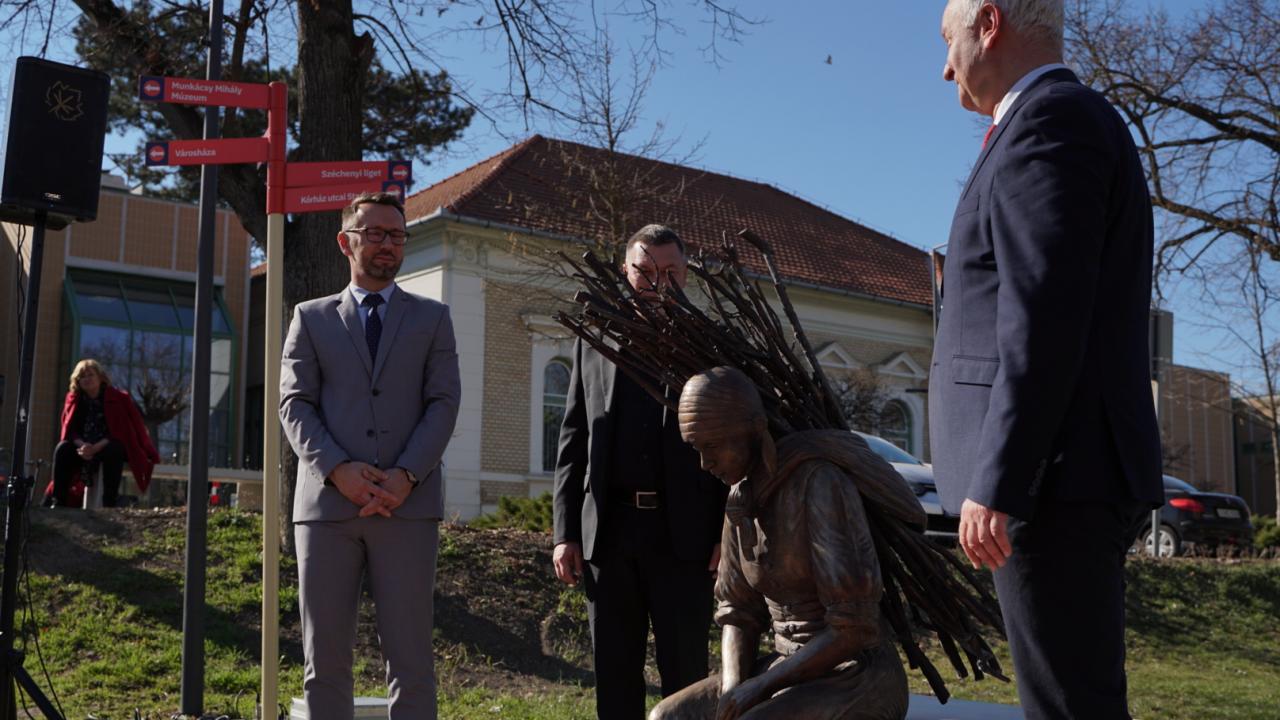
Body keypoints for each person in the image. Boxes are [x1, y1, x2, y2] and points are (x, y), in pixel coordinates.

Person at [930, 2, 1163, 718]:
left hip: (1050, 484)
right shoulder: (1055, 122)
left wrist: (1002, 477)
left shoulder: (1049, 122)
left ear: (989, 22)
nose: (945, 68)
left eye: (949, 42)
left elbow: (1044, 316)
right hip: (1053, 481)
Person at [280, 191, 460, 720]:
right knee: (325, 659)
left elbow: (444, 402)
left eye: (397, 235)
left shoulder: (433, 318)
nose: (388, 244)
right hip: (327, 511)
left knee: (411, 659)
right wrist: (337, 470)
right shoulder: (310, 318)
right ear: (346, 241)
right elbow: (294, 402)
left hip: (408, 507)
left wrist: (405, 475)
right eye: (375, 233)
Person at [649, 366, 913, 720]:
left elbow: (853, 627)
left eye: (712, 446)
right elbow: (738, 612)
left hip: (855, 674)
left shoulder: (818, 484)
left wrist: (758, 689)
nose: (704, 463)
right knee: (666, 717)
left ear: (753, 430)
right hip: (784, 668)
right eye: (696, 448)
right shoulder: (739, 498)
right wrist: (732, 688)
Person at [553, 224, 729, 720]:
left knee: (686, 676)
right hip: (608, 536)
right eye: (645, 272)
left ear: (686, 273)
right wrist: (565, 532)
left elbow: (730, 446)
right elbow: (574, 438)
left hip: (685, 539)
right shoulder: (597, 339)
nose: (657, 284)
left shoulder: (710, 344)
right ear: (626, 271)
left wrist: (725, 531)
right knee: (613, 673)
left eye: (670, 272)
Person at [51, 359, 159, 508]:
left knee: (115, 449)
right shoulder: (73, 399)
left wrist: (95, 447)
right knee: (62, 449)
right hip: (82, 447)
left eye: (90, 375)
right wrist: (82, 446)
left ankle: (109, 502)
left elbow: (121, 431)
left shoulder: (118, 398)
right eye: (82, 376)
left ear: (100, 377)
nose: (86, 379)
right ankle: (58, 502)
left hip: (107, 445)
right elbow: (70, 430)